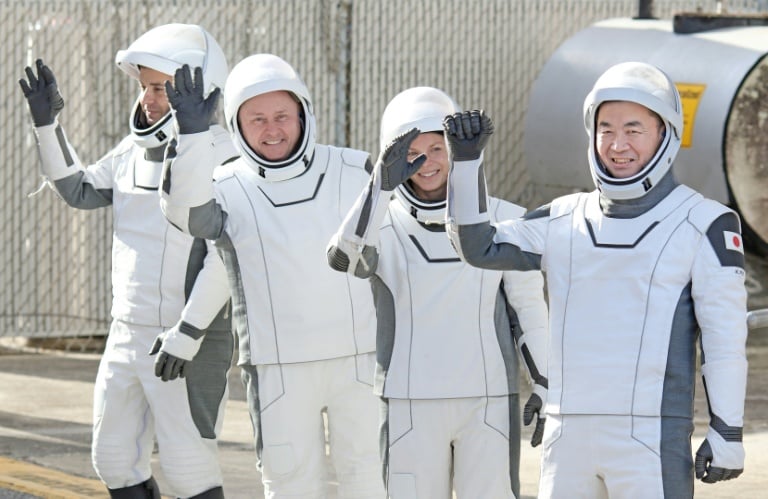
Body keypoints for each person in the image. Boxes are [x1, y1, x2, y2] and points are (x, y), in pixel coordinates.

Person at [443, 62, 748, 498]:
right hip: (567, 437)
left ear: (666, 133)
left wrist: (728, 430)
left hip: (651, 437)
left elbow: (725, 338)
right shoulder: (564, 217)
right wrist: (466, 163)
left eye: (633, 130)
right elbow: (477, 246)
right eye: (606, 129)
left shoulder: (705, 223)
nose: (618, 145)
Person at [19, 24, 236, 499]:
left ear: (199, 87)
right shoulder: (130, 150)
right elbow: (78, 189)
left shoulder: (225, 155)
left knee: (189, 469)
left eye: (160, 88)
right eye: (144, 87)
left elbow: (226, 256)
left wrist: (189, 332)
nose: (149, 100)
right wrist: (46, 125)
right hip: (126, 332)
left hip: (185, 340)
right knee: (114, 460)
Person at [155, 53, 385, 498]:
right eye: (256, 119)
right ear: (237, 127)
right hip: (276, 369)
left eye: (282, 116)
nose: (272, 129)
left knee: (371, 482)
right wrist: (192, 137)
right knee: (289, 485)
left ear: (303, 113)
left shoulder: (354, 169)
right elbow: (188, 218)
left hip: (360, 361)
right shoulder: (224, 185)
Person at [326, 86, 549, 499]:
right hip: (408, 402)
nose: (427, 162)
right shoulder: (378, 225)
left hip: (488, 400)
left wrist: (545, 382)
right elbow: (344, 259)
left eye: (437, 148)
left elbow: (529, 311)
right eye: (412, 153)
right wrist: (379, 187)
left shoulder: (505, 219)